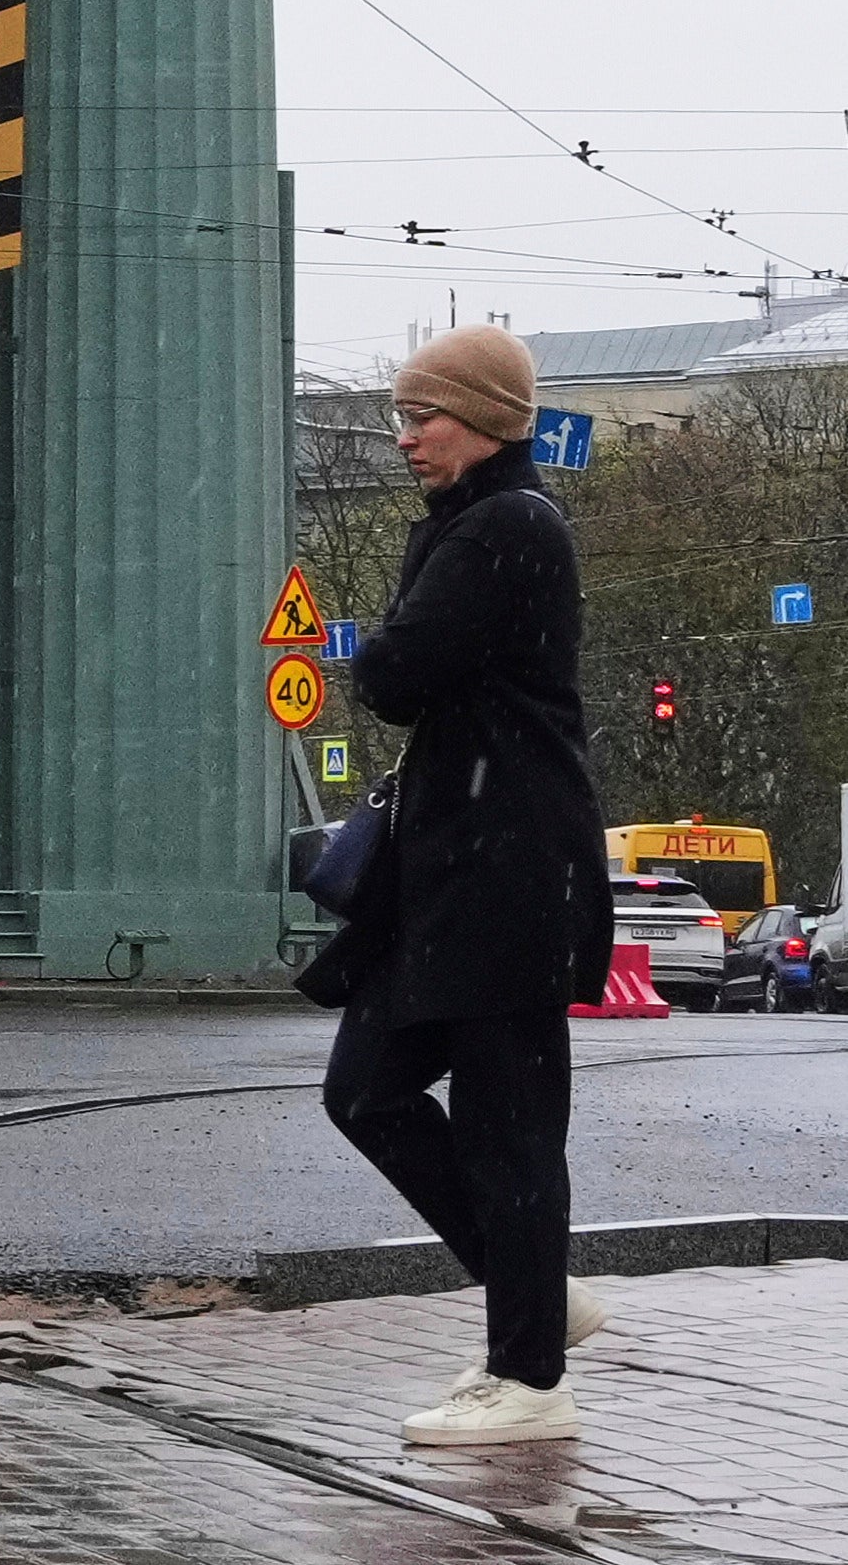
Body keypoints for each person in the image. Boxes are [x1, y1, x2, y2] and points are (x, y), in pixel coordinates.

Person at [305, 321, 615, 1448]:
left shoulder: (502, 529)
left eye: (420, 415)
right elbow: (404, 667)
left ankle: (528, 1379)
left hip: (513, 873)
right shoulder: (472, 523)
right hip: (463, 874)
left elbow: (390, 674)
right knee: (366, 1088)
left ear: (484, 417)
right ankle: (530, 1294)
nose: (404, 436)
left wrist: (384, 638)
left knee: (509, 1128)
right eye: (400, 414)